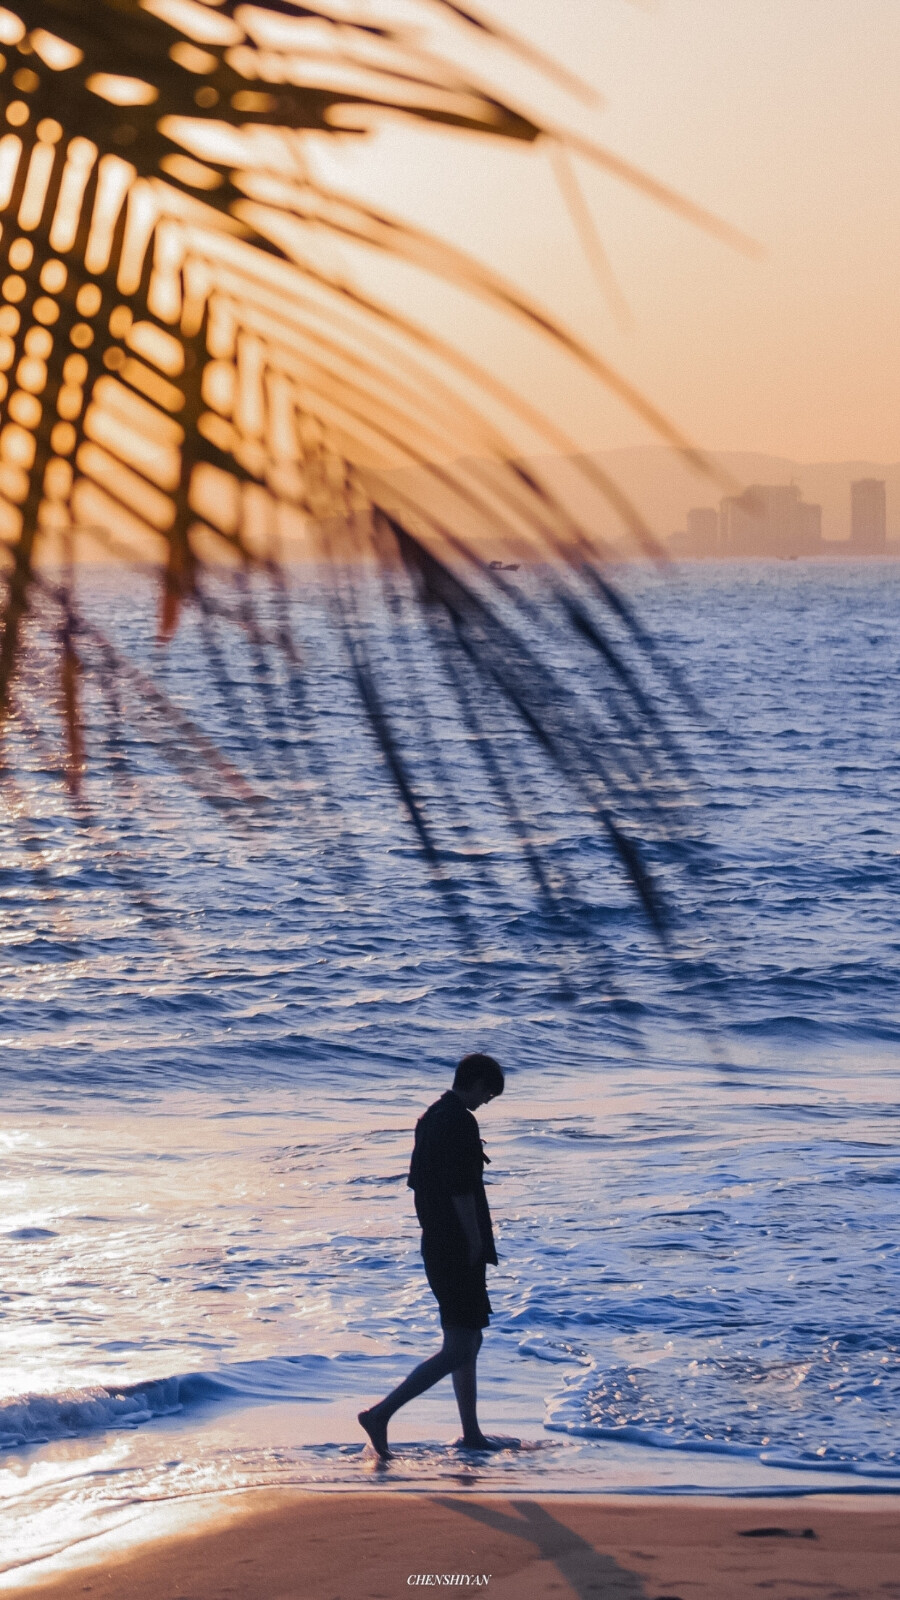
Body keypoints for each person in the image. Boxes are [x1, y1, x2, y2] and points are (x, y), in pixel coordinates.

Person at [358, 1052, 508, 1458]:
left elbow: (417, 1185)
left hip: (436, 1242)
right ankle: (381, 1414)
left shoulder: (429, 1118)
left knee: (467, 1338)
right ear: (474, 1082)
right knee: (461, 1345)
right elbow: (461, 1190)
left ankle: (472, 1433)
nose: (486, 1102)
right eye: (487, 1094)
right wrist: (475, 1241)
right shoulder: (459, 1120)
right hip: (457, 1246)